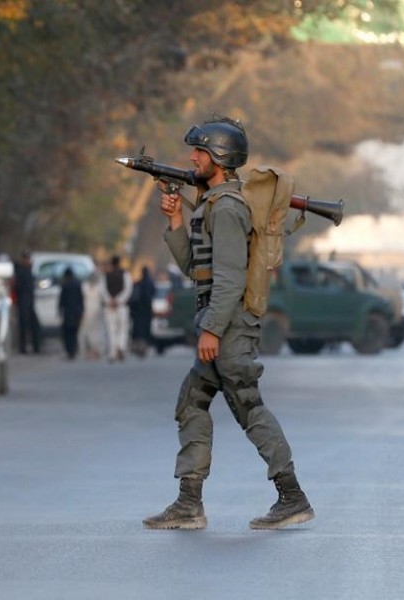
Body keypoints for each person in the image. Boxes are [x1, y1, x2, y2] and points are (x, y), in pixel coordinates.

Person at [143, 115, 314, 530]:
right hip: (219, 320)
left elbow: (231, 279)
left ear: (218, 156)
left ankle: (292, 497)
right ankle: (188, 503)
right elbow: (195, 268)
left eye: (199, 151)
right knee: (193, 403)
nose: (192, 157)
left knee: (248, 406)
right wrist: (175, 223)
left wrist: (212, 329)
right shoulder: (212, 205)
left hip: (229, 326)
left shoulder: (228, 209)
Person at [103, 255, 132, 362]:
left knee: (111, 330)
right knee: (122, 329)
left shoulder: (106, 275)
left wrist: (110, 300)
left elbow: (103, 290)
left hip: (109, 307)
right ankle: (121, 347)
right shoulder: (125, 274)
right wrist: (119, 300)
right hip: (122, 306)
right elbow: (128, 289)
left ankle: (113, 353)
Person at [14, 251, 42, 354]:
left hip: (29, 302)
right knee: (24, 326)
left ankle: (35, 347)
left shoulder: (28, 270)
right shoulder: (21, 271)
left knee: (34, 325)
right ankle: (24, 347)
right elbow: (19, 287)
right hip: (23, 302)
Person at [129, 265, 156, 358]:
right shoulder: (150, 283)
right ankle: (143, 347)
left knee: (138, 330)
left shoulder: (138, 284)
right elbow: (153, 293)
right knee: (145, 330)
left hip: (138, 311)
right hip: (146, 311)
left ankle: (139, 347)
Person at [58, 267, 84, 359]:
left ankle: (70, 350)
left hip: (68, 312)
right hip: (76, 311)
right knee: (74, 331)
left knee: (67, 332)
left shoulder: (65, 285)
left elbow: (61, 299)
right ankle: (73, 349)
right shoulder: (77, 284)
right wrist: (82, 311)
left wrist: (59, 311)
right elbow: (81, 299)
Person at [79, 267, 106, 360]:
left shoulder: (86, 287)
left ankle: (94, 350)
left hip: (92, 311)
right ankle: (93, 350)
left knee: (92, 331)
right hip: (92, 310)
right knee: (93, 332)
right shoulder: (94, 287)